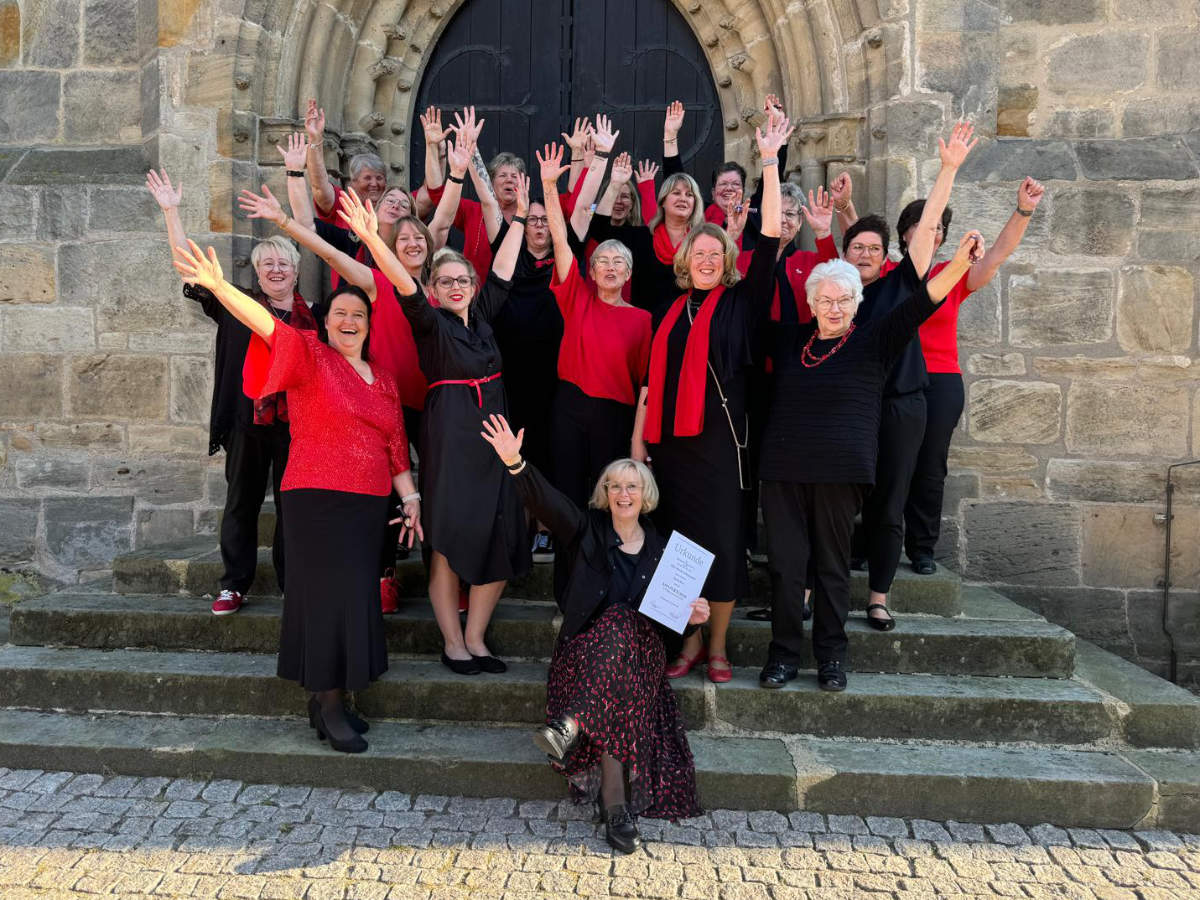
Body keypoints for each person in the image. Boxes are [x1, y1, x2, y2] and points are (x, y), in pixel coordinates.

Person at [171, 239, 422, 754]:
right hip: (316, 498)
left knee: (354, 601)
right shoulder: (308, 354)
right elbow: (265, 324)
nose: (350, 321)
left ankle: (333, 699)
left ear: (370, 326)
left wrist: (412, 500)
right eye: (341, 314)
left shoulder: (385, 382)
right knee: (325, 601)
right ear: (326, 322)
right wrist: (219, 286)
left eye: (359, 315)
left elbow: (397, 449)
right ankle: (327, 704)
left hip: (367, 506)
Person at [755, 239, 984, 691]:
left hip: (841, 472)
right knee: (785, 567)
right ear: (812, 303)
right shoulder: (789, 341)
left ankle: (831, 658)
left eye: (843, 300)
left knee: (831, 567)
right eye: (825, 300)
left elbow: (923, 301)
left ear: (856, 303)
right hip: (783, 470)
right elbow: (754, 300)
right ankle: (782, 656)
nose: (834, 308)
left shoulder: (874, 339)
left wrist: (958, 263)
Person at [480, 413, 708, 853]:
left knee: (625, 625)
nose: (623, 493)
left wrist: (691, 621)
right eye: (614, 486)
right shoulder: (585, 531)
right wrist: (515, 463)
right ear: (605, 494)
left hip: (640, 663)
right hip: (582, 661)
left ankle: (571, 728)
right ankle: (616, 806)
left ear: (646, 495)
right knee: (615, 628)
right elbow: (547, 502)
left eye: (632, 486)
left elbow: (668, 636)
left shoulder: (667, 552)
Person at [341, 179, 530, 675]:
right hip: (450, 435)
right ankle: (452, 641)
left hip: (498, 439)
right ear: (434, 289)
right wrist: (373, 237)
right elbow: (402, 284)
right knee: (446, 537)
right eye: (444, 281)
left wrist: (526, 214)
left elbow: (506, 270)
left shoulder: (484, 318)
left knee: (502, 530)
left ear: (471, 282)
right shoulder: (430, 322)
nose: (454, 286)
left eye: (461, 279)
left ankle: (476, 636)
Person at [628, 108, 791, 685]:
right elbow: (650, 386)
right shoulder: (670, 312)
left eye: (714, 253)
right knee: (677, 549)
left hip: (721, 447)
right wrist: (640, 447)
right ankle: (688, 640)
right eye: (697, 253)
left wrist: (769, 163)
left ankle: (718, 644)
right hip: (671, 449)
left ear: (725, 261)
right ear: (683, 260)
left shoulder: (741, 303)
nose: (705, 258)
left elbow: (769, 238)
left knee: (720, 548)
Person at [237, 144, 435, 614]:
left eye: (418, 238)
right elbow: (323, 247)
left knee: (433, 491)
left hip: (432, 401)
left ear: (428, 244)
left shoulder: (440, 286)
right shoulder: (375, 280)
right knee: (387, 487)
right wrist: (283, 223)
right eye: (402, 238)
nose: (410, 244)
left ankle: (439, 571)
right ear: (390, 242)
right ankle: (384, 575)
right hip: (380, 398)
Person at [147, 168, 318, 617]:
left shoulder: (314, 317)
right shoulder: (236, 305)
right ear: (257, 273)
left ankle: (294, 583)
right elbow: (188, 264)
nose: (276, 269)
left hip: (297, 425)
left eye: (283, 263)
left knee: (293, 507)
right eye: (267, 264)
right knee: (240, 501)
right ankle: (233, 584)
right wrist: (171, 212)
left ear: (296, 272)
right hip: (248, 419)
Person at [847, 122, 977, 631]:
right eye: (855, 247)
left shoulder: (900, 288)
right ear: (844, 253)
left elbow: (923, 239)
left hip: (901, 404)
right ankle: (818, 587)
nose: (864, 255)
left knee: (891, 500)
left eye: (873, 250)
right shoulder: (832, 295)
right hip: (852, 409)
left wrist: (947, 170)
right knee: (838, 500)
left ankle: (878, 598)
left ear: (887, 258)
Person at [900, 176, 1045, 574]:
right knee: (888, 464)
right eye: (925, 224)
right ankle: (873, 543)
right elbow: (856, 248)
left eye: (939, 228)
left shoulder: (954, 272)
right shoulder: (892, 274)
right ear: (906, 233)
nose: (933, 232)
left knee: (931, 465)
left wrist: (1023, 210)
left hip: (941, 380)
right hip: (894, 381)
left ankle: (922, 548)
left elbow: (997, 254)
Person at [538, 141, 652, 519]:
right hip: (569, 407)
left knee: (609, 504)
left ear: (629, 274)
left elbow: (644, 386)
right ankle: (570, 578)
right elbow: (560, 239)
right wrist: (550, 187)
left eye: (618, 262)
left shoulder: (642, 320)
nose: (609, 267)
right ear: (591, 269)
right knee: (568, 500)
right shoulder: (577, 298)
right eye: (602, 260)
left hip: (615, 416)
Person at [733, 182, 840, 566]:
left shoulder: (810, 263)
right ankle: (742, 541)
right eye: (779, 213)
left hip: (794, 380)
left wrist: (826, 233)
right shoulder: (744, 259)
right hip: (749, 375)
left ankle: (787, 550)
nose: (785, 221)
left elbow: (838, 277)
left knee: (785, 466)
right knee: (745, 462)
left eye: (793, 215)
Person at [662, 95, 789, 251]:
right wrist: (670, 135)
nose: (729, 188)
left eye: (735, 184)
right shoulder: (700, 214)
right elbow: (675, 180)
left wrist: (776, 125)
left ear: (743, 191)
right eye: (723, 184)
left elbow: (773, 175)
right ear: (713, 193)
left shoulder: (754, 211)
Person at [589, 160, 706, 312]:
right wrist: (615, 184)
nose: (683, 198)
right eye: (676, 193)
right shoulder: (642, 238)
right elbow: (599, 230)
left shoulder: (702, 242)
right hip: (647, 330)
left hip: (689, 329)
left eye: (689, 195)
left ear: (695, 203)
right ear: (663, 201)